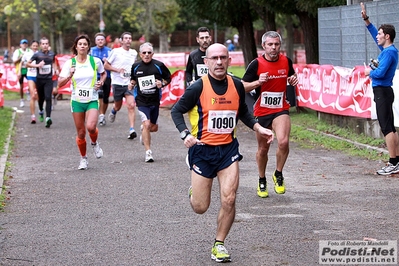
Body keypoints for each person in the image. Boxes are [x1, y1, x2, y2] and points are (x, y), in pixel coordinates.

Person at [171, 43, 274, 262]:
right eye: (214, 58)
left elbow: (244, 112)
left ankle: (219, 244)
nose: (219, 62)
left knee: (229, 198)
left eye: (223, 58)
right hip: (201, 150)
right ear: (206, 62)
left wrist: (258, 127)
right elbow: (176, 110)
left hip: (228, 150)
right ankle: (194, 190)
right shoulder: (197, 87)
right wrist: (185, 134)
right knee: (200, 207)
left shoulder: (236, 85)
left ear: (229, 60)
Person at [241, 31, 299, 198]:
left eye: (277, 44)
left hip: (280, 108)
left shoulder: (286, 61)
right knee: (263, 149)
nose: (274, 47)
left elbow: (291, 76)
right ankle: (261, 179)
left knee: (283, 141)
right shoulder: (256, 64)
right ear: (264, 46)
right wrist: (258, 82)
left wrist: (293, 80)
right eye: (270, 45)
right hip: (262, 111)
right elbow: (242, 86)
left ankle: (278, 174)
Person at [361, 3, 399, 175]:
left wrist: (369, 71)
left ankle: (393, 163)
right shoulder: (387, 50)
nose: (378, 36)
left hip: (382, 91)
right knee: (390, 126)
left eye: (381, 34)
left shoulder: (389, 52)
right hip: (384, 92)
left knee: (386, 128)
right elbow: (374, 33)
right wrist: (366, 20)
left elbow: (381, 73)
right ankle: (396, 161)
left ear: (388, 36)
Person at [58, 34, 106, 170]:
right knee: (81, 133)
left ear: (88, 47)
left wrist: (101, 82)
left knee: (91, 127)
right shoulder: (70, 63)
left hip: (91, 98)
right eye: (80, 44)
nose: (83, 46)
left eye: (85, 44)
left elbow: (103, 74)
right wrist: (69, 75)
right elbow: (60, 83)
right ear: (76, 46)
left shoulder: (95, 61)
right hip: (77, 101)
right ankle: (83, 158)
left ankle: (95, 143)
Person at [130, 42, 171, 162]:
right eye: (144, 53)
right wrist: (132, 84)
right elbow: (133, 78)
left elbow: (168, 78)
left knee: (153, 128)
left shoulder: (159, 65)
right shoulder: (136, 66)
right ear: (140, 54)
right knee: (147, 124)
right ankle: (148, 152)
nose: (147, 55)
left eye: (149, 53)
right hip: (141, 100)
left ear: (152, 54)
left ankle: (144, 131)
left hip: (154, 100)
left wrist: (162, 83)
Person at [104, 32, 138, 139]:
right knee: (118, 106)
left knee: (131, 105)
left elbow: (135, 67)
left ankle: (132, 129)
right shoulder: (115, 52)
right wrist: (117, 70)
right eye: (126, 38)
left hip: (129, 83)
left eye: (130, 38)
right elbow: (106, 65)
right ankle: (114, 110)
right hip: (117, 83)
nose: (128, 40)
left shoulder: (134, 53)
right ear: (121, 40)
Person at [26, 37, 59, 128]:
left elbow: (53, 62)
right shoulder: (37, 55)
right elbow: (27, 64)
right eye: (43, 44)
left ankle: (48, 118)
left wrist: (56, 70)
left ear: (48, 45)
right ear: (40, 45)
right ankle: (41, 110)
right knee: (41, 99)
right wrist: (37, 65)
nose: (45, 45)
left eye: (46, 44)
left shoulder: (52, 54)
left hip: (49, 79)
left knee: (48, 98)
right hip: (39, 79)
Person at [90, 32, 112, 126]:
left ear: (105, 41)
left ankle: (103, 114)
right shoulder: (91, 51)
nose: (100, 41)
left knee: (106, 98)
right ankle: (100, 115)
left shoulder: (109, 51)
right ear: (95, 41)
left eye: (102, 39)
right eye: (98, 39)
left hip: (107, 76)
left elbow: (113, 64)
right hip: (95, 76)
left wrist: (107, 62)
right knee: (99, 95)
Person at [21, 40, 39, 123]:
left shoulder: (40, 54)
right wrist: (19, 72)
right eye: (33, 46)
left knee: (38, 96)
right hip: (30, 75)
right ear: (31, 46)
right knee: (32, 95)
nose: (35, 47)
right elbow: (23, 63)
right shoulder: (27, 54)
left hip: (39, 76)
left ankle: (41, 110)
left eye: (36, 46)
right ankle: (33, 116)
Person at [13, 39, 31, 108]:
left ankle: (28, 92)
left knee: (31, 82)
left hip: (28, 69)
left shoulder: (29, 51)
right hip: (20, 70)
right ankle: (22, 100)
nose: (24, 45)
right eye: (23, 43)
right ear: (20, 45)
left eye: (25, 43)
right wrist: (20, 58)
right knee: (21, 86)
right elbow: (14, 62)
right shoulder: (17, 52)